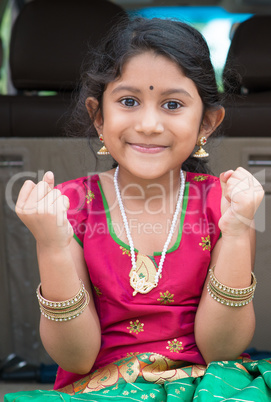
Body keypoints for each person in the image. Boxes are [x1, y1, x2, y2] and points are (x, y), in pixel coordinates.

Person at [5, 17, 269, 402]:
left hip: (206, 387)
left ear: (207, 123)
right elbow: (76, 358)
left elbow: (221, 351)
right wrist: (52, 245)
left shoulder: (227, 202)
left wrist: (239, 230)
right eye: (129, 101)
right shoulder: (68, 207)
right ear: (99, 116)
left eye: (173, 104)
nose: (148, 124)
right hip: (100, 390)